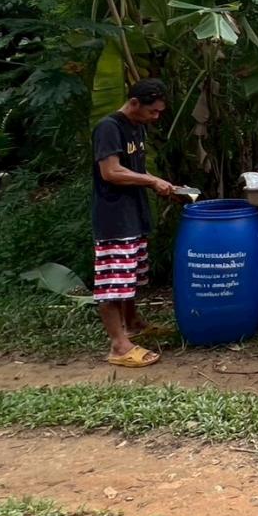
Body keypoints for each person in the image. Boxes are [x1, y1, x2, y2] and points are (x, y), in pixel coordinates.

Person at [92, 78, 176, 368]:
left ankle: (134, 323)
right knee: (114, 281)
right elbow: (111, 172)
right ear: (135, 103)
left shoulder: (136, 127)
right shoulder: (109, 127)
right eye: (153, 111)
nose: (156, 117)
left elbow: (135, 169)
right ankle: (119, 345)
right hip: (114, 215)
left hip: (134, 212)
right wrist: (153, 181)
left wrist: (163, 186)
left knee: (131, 276)